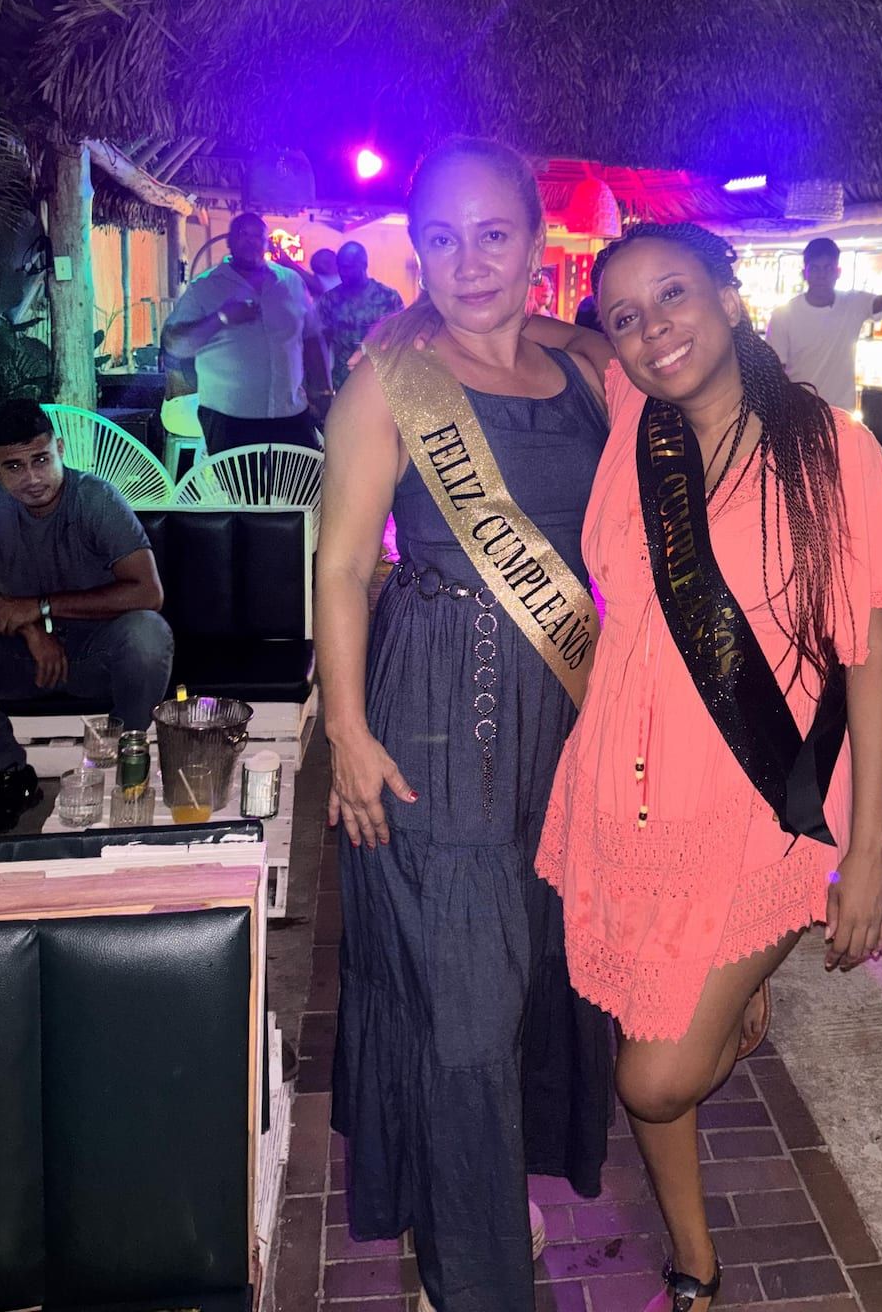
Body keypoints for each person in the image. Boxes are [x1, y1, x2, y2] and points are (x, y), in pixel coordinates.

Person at [534, 222, 882, 1312]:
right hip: (624, 794)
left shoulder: (827, 450)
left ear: (731, 295)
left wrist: (869, 854)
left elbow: (870, 656)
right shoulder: (628, 426)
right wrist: (429, 316)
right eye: (626, 314)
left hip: (759, 799)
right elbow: (537, 323)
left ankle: (736, 994)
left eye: (675, 295)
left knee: (652, 1075)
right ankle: (697, 1262)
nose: (654, 328)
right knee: (648, 1030)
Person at [315, 136, 612, 1312]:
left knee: (534, 964)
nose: (469, 259)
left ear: (540, 246)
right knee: (463, 990)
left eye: (494, 234)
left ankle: (479, 1184)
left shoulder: (586, 370)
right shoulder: (391, 378)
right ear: (415, 247)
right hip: (439, 701)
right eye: (441, 236)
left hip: (563, 717)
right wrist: (347, 726)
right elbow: (341, 564)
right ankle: (470, 1269)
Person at [0, 400, 173, 831]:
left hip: (97, 657)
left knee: (147, 635)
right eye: (14, 467)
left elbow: (149, 593)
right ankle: (8, 775)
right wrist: (35, 631)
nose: (33, 478)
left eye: (41, 459)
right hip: (23, 659)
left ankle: (126, 767)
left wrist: (40, 606)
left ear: (60, 449)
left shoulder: (93, 498)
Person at [162, 212, 332, 454]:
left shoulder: (291, 283)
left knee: (299, 488)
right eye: (244, 234)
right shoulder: (205, 287)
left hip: (290, 412)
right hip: (230, 418)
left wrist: (324, 393)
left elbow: (312, 338)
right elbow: (175, 344)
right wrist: (221, 318)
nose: (251, 241)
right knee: (242, 491)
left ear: (266, 243)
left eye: (258, 236)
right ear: (230, 241)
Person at [765, 236, 882, 411]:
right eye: (815, 269)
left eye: (828, 268)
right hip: (800, 414)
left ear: (838, 272)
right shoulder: (783, 315)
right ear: (805, 273)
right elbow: (774, 373)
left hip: (841, 415)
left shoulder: (853, 303)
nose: (822, 276)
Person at [318, 241, 405, 390]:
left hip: (379, 377)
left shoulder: (388, 297)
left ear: (364, 265)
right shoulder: (330, 299)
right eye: (340, 267)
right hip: (343, 378)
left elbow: (401, 338)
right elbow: (322, 342)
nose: (343, 272)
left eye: (348, 267)